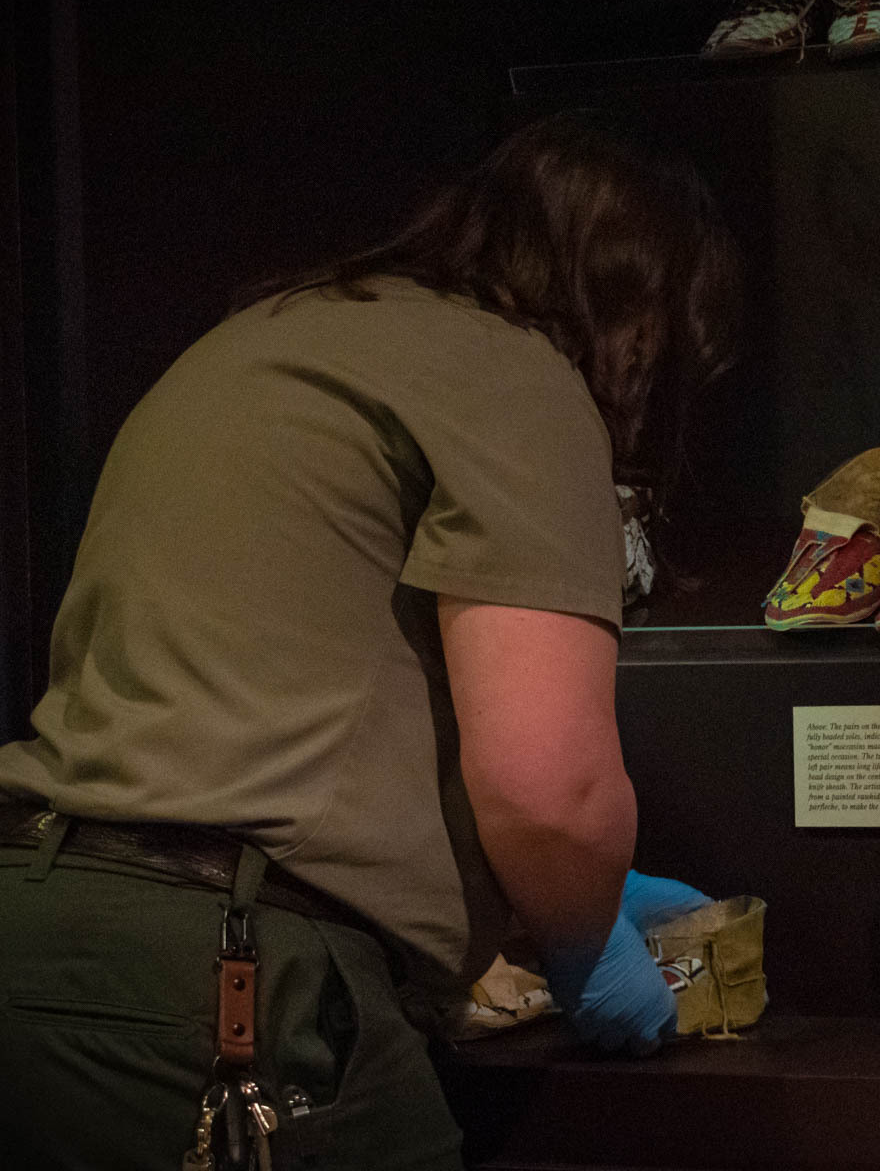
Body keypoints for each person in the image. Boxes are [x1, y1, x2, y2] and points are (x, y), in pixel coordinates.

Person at [0, 111, 743, 1169]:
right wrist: (584, 938)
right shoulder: (515, 372)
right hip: (226, 980)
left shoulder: (270, 335)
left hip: (34, 926)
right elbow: (550, 787)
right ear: (634, 302)